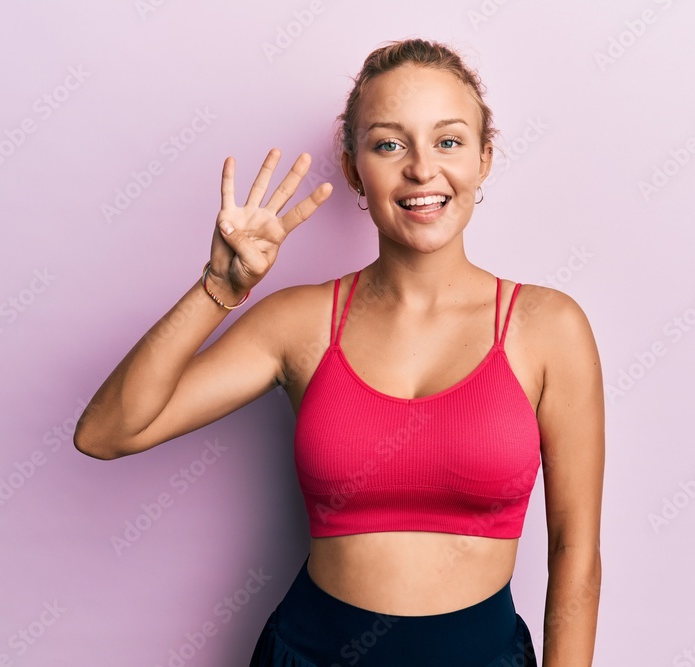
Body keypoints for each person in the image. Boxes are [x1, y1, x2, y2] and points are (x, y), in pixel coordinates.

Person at [74, 38, 604, 666]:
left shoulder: (549, 326)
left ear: (485, 159)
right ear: (355, 169)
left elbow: (576, 551)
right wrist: (220, 288)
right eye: (388, 144)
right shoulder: (299, 323)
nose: (421, 169)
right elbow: (108, 432)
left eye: (449, 141)